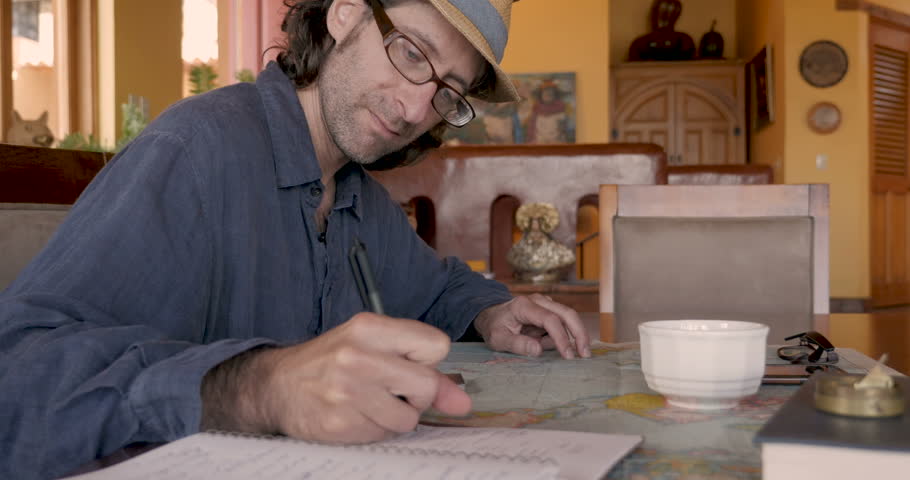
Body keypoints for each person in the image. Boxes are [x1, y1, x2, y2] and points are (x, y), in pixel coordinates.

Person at [0, 0, 590, 478]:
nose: (416, 107)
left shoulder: (361, 198)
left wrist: (491, 311)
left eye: (446, 93)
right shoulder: (194, 152)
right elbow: (18, 380)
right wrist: (260, 385)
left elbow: (434, 289)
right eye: (411, 52)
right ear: (345, 12)